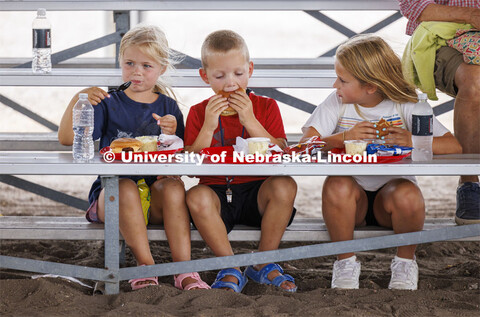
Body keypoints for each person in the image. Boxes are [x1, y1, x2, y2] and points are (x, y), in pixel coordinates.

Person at [301, 35, 462, 290]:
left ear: (371, 86)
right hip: (352, 202)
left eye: (343, 80)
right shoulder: (337, 102)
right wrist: (342, 137)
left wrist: (413, 139)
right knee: (336, 184)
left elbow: (452, 145)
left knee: (408, 195)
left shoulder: (406, 104)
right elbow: (306, 145)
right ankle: (345, 262)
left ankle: (405, 263)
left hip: (392, 199)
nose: (335, 85)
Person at [58, 24, 210, 291]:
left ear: (162, 67)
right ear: (120, 62)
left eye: (146, 65)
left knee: (175, 186)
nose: (137, 71)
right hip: (114, 198)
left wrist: (173, 135)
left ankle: (184, 270)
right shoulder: (108, 101)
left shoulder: (168, 107)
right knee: (124, 186)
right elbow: (67, 139)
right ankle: (146, 265)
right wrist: (77, 99)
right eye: (129, 63)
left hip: (156, 198)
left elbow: (182, 156)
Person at [184, 30, 298, 293]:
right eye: (219, 76)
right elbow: (189, 163)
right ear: (205, 76)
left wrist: (250, 120)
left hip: (257, 193)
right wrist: (209, 126)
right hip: (215, 193)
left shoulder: (266, 106)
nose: (230, 83)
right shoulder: (199, 112)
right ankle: (231, 265)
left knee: (285, 185)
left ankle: (262, 264)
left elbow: (281, 152)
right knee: (195, 196)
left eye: (238, 73)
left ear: (250, 69)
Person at [398, 0, 480, 225]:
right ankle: (470, 183)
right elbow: (418, 8)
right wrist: (472, 16)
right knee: (476, 82)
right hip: (442, 37)